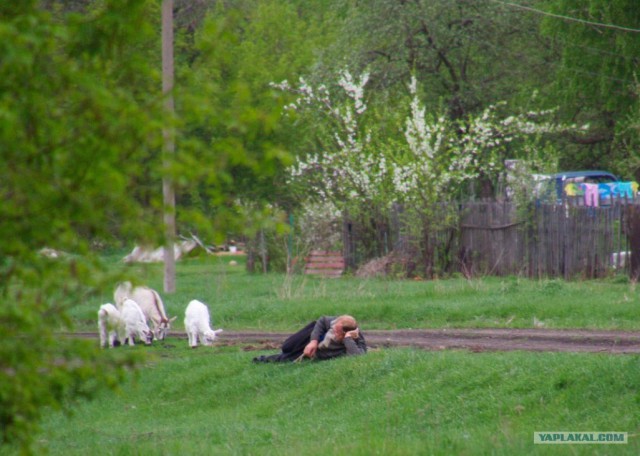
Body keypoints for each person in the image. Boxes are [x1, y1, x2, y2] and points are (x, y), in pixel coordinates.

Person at [253, 315, 367, 363]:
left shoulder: (356, 342)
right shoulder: (338, 321)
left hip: (317, 352)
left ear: (346, 332)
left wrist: (347, 339)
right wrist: (313, 341)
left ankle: (262, 360)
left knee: (287, 358)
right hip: (313, 337)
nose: (333, 330)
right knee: (286, 347)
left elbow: (357, 357)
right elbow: (322, 320)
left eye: (337, 331)